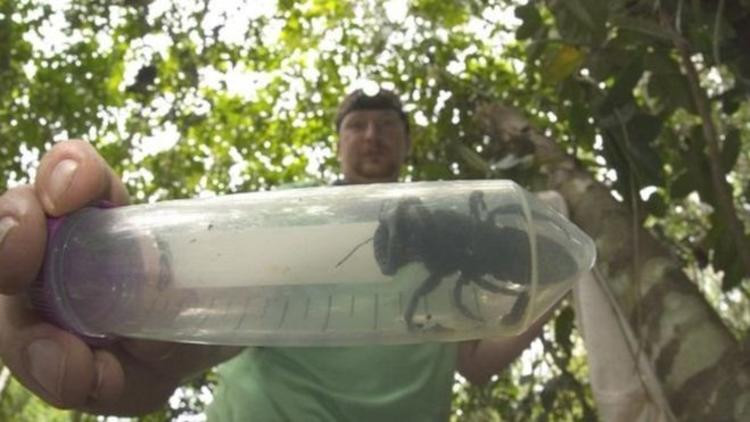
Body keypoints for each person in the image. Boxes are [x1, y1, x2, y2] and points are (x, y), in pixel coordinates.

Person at [0, 88, 552, 420]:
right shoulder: (298, 210)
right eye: (357, 126)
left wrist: (554, 280)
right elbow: (227, 308)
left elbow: (475, 360)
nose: (371, 135)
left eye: (387, 126)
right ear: (339, 142)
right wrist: (151, 333)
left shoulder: (451, 214)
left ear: (407, 143)